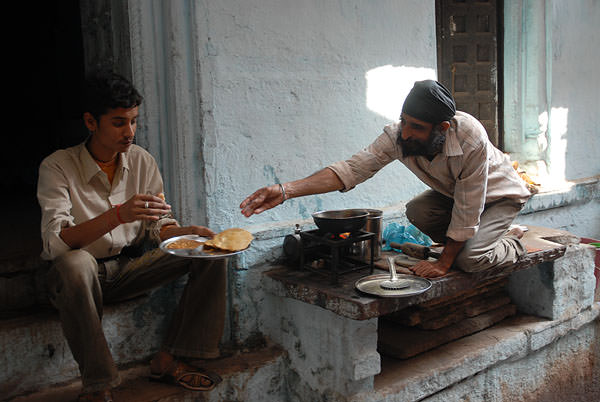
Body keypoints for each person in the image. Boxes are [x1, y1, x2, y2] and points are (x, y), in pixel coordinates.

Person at [37, 72, 225, 402]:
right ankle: (99, 386)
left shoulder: (141, 161)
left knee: (208, 251)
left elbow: (158, 225)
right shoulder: (58, 166)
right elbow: (56, 244)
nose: (130, 133)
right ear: (90, 122)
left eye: (134, 121)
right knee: (75, 263)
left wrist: (185, 232)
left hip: (127, 269)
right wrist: (118, 215)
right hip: (78, 277)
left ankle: (171, 357)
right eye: (118, 123)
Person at [240, 80, 531, 278]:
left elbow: (469, 207)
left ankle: (512, 242)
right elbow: (351, 169)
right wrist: (286, 190)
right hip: (458, 198)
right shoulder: (397, 136)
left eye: (416, 127)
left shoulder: (470, 137)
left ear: (441, 128)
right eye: (404, 121)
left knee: (469, 262)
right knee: (418, 210)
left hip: (500, 197)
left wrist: (444, 264)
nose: (405, 133)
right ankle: (479, 241)